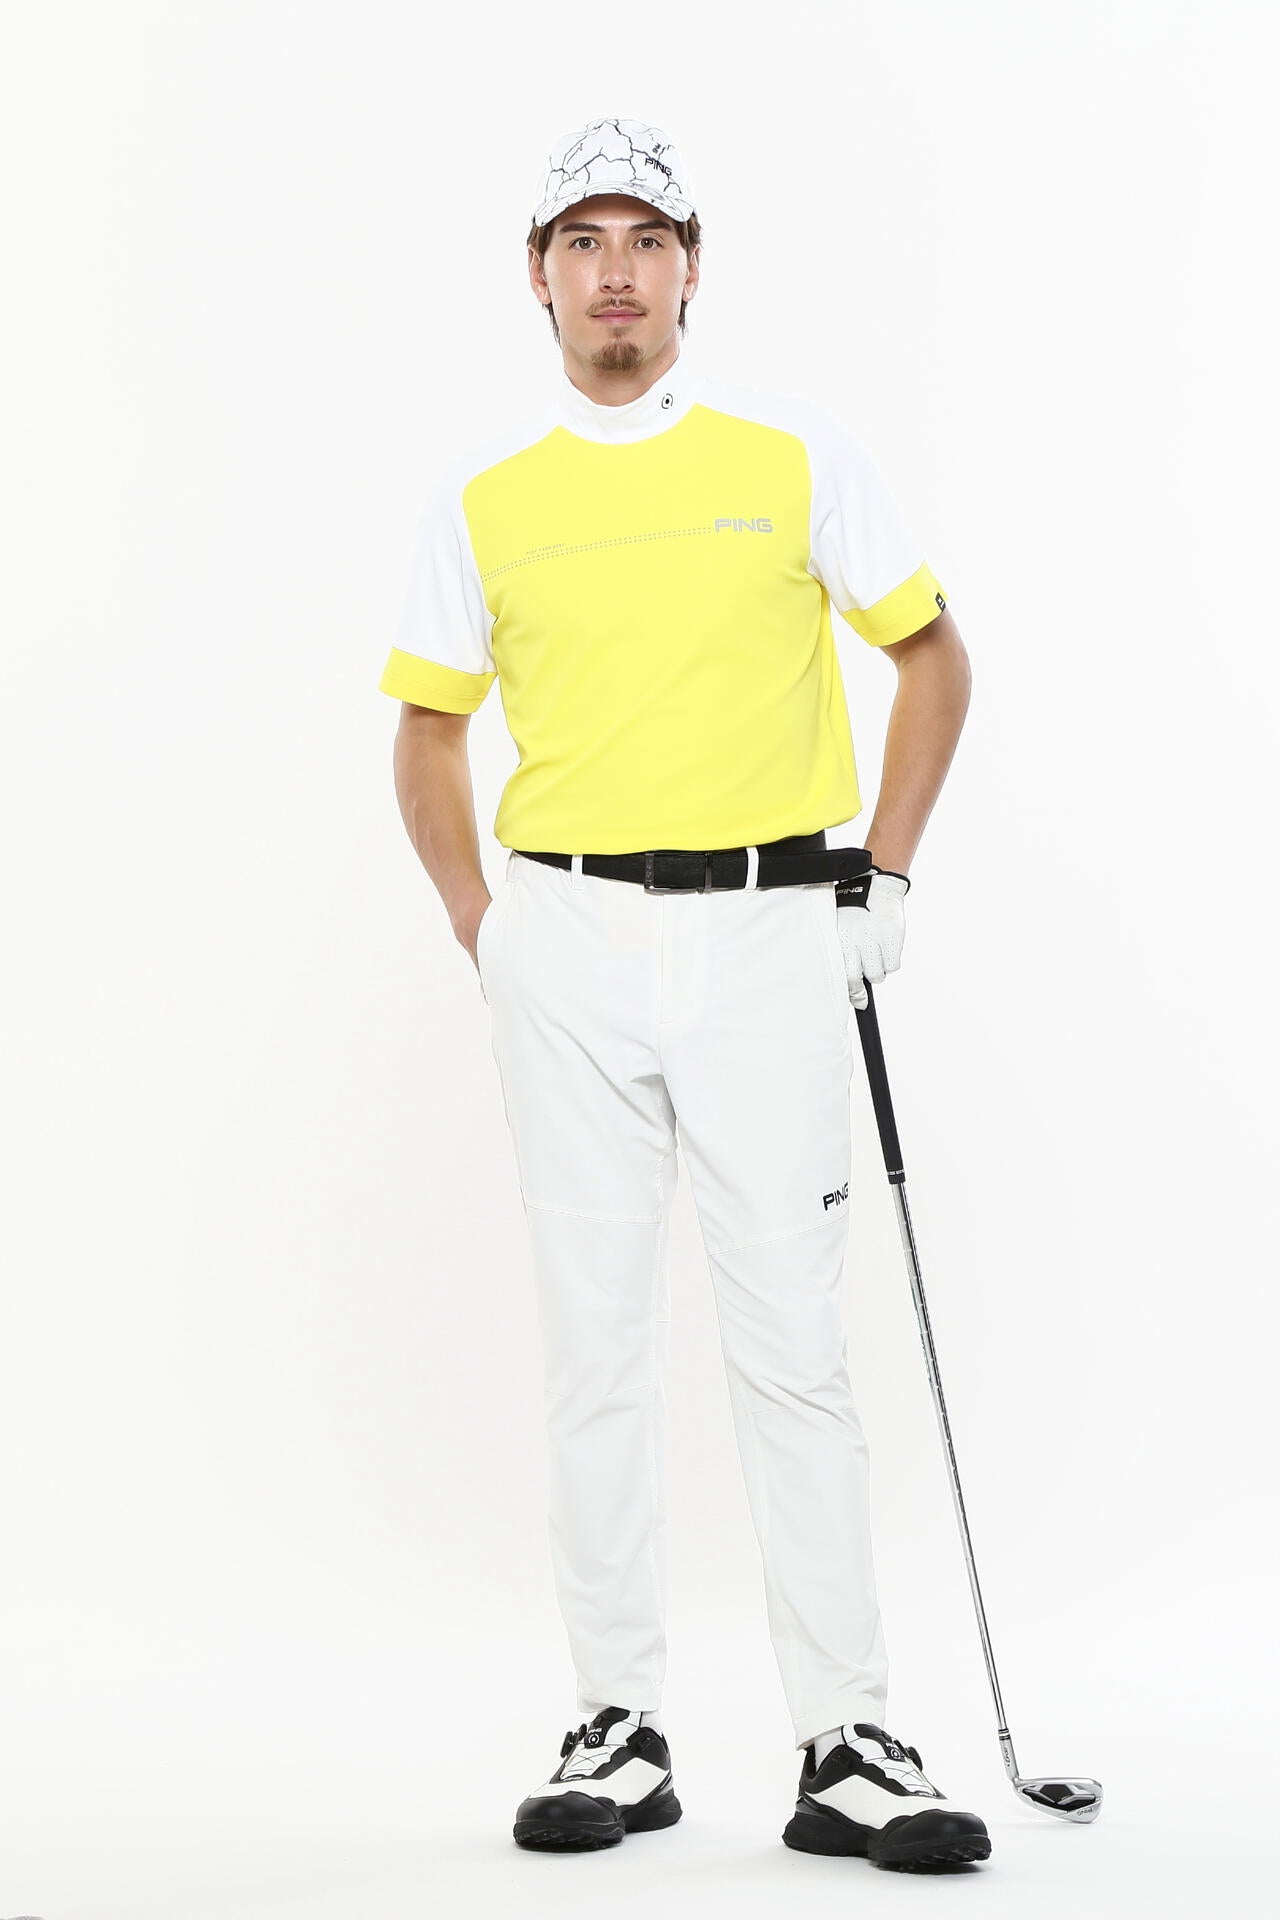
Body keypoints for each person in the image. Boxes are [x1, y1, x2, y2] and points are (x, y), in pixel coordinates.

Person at [378, 116, 987, 1871]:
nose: (617, 274)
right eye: (584, 242)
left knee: (793, 1344)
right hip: (564, 940)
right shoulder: (487, 498)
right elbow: (427, 731)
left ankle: (848, 1736)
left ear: (693, 264)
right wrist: (484, 928)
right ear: (538, 274)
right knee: (595, 1349)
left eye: (647, 239)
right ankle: (620, 1724)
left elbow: (932, 657)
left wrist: (883, 877)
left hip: (768, 933)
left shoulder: (792, 455)